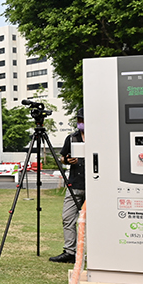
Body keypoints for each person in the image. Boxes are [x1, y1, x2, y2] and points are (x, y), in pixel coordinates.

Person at [50, 110, 85, 263]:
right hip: (74, 184)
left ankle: (93, 254)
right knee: (68, 218)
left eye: (82, 119)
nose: (80, 122)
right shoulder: (71, 138)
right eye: (79, 119)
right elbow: (63, 157)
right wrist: (67, 160)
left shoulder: (100, 137)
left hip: (94, 185)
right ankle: (70, 252)